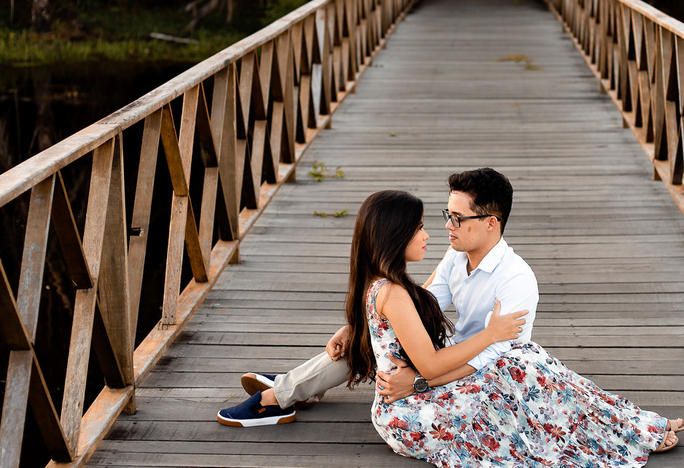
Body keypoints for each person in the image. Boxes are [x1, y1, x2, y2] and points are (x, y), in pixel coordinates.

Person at [349, 189, 684, 468]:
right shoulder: (393, 291)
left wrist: (416, 373)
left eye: (455, 218)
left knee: (524, 363)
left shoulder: (390, 284)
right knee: (519, 372)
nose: (435, 231)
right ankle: (624, 431)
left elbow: (418, 321)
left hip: (416, 392)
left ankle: (628, 426)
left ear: (490, 222)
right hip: (407, 410)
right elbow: (431, 363)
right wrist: (491, 333)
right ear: (396, 236)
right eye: (420, 226)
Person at [217, 167, 535, 426]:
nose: (447, 226)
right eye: (446, 214)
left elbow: (495, 357)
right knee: (367, 338)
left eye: (458, 218)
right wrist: (363, 325)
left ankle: (288, 388)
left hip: (485, 380)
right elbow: (418, 305)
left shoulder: (515, 280)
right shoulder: (456, 257)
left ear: (491, 223)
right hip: (447, 357)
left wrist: (420, 381)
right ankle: (290, 388)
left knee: (380, 342)